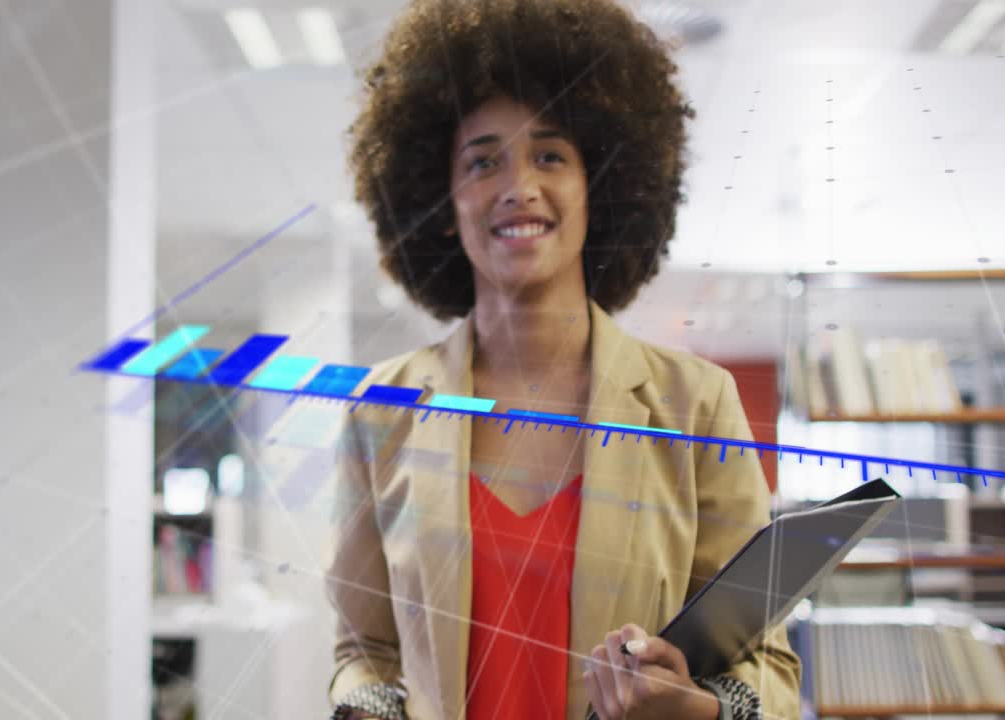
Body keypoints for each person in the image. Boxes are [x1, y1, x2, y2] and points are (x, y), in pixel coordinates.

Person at [326, 1, 801, 718]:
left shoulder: (696, 404)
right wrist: (368, 707)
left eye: (550, 155)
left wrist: (696, 707)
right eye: (483, 161)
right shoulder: (380, 410)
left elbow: (766, 665)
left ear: (599, 185)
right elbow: (362, 649)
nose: (519, 186)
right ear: (441, 200)